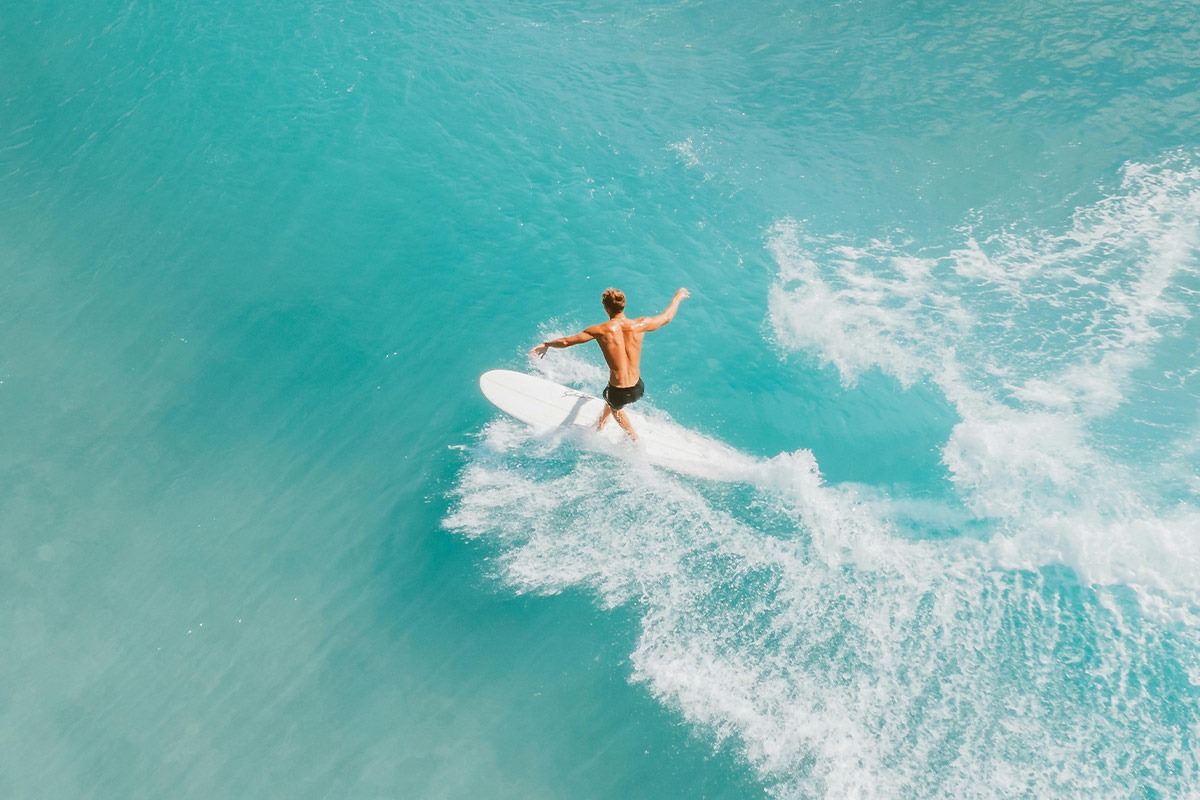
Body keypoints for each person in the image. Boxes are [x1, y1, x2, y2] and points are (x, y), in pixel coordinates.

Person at [529, 287, 690, 440]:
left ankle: (632, 437)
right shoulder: (640, 325)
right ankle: (601, 424)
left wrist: (546, 344)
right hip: (638, 387)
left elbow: (565, 342)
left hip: (618, 392)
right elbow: (667, 317)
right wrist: (677, 297)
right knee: (611, 401)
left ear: (606, 308)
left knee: (615, 408)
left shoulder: (600, 330)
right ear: (624, 305)